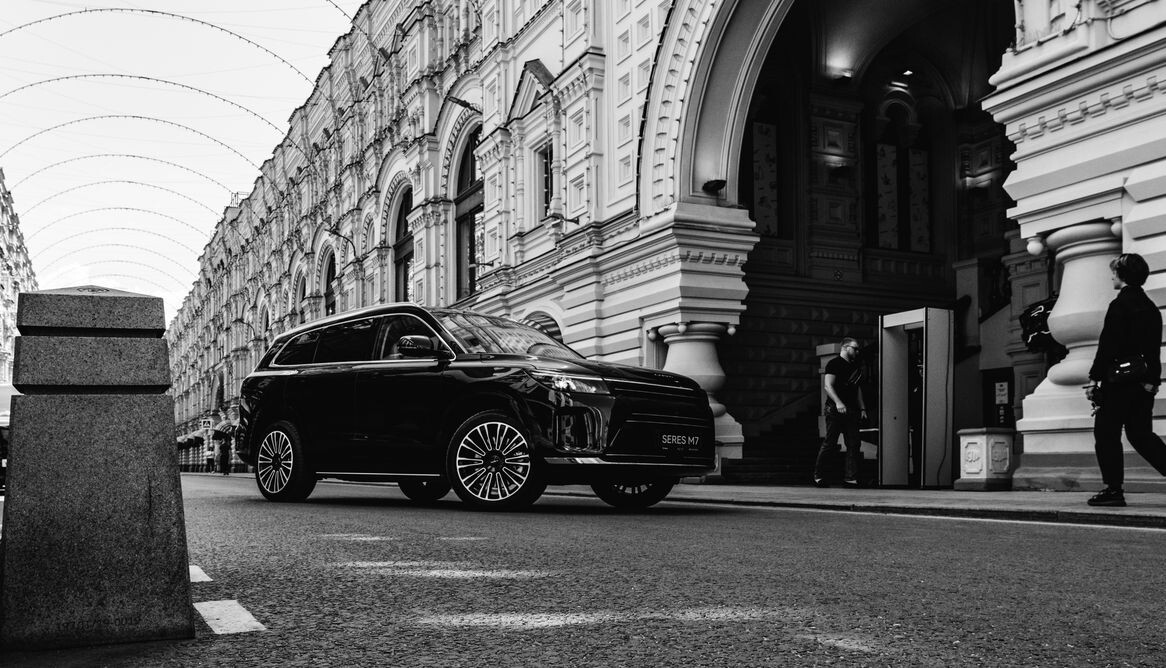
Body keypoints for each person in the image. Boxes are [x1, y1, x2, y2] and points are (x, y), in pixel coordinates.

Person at [1085, 253, 1166, 506]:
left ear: (1121, 275)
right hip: (1144, 383)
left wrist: (1094, 379)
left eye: (1114, 272)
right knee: (1141, 435)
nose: (1111, 276)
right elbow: (1153, 350)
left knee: (1106, 433)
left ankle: (1113, 490)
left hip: (1119, 382)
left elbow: (1108, 346)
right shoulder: (1151, 308)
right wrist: (1153, 381)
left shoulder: (1120, 306)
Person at [814, 337, 867, 487]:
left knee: (854, 444)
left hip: (852, 410)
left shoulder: (855, 366)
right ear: (845, 348)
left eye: (858, 349)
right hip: (834, 409)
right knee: (830, 443)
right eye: (854, 348)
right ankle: (819, 476)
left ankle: (850, 478)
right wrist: (838, 402)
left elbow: (857, 389)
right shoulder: (834, 364)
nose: (857, 351)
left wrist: (862, 408)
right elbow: (828, 386)